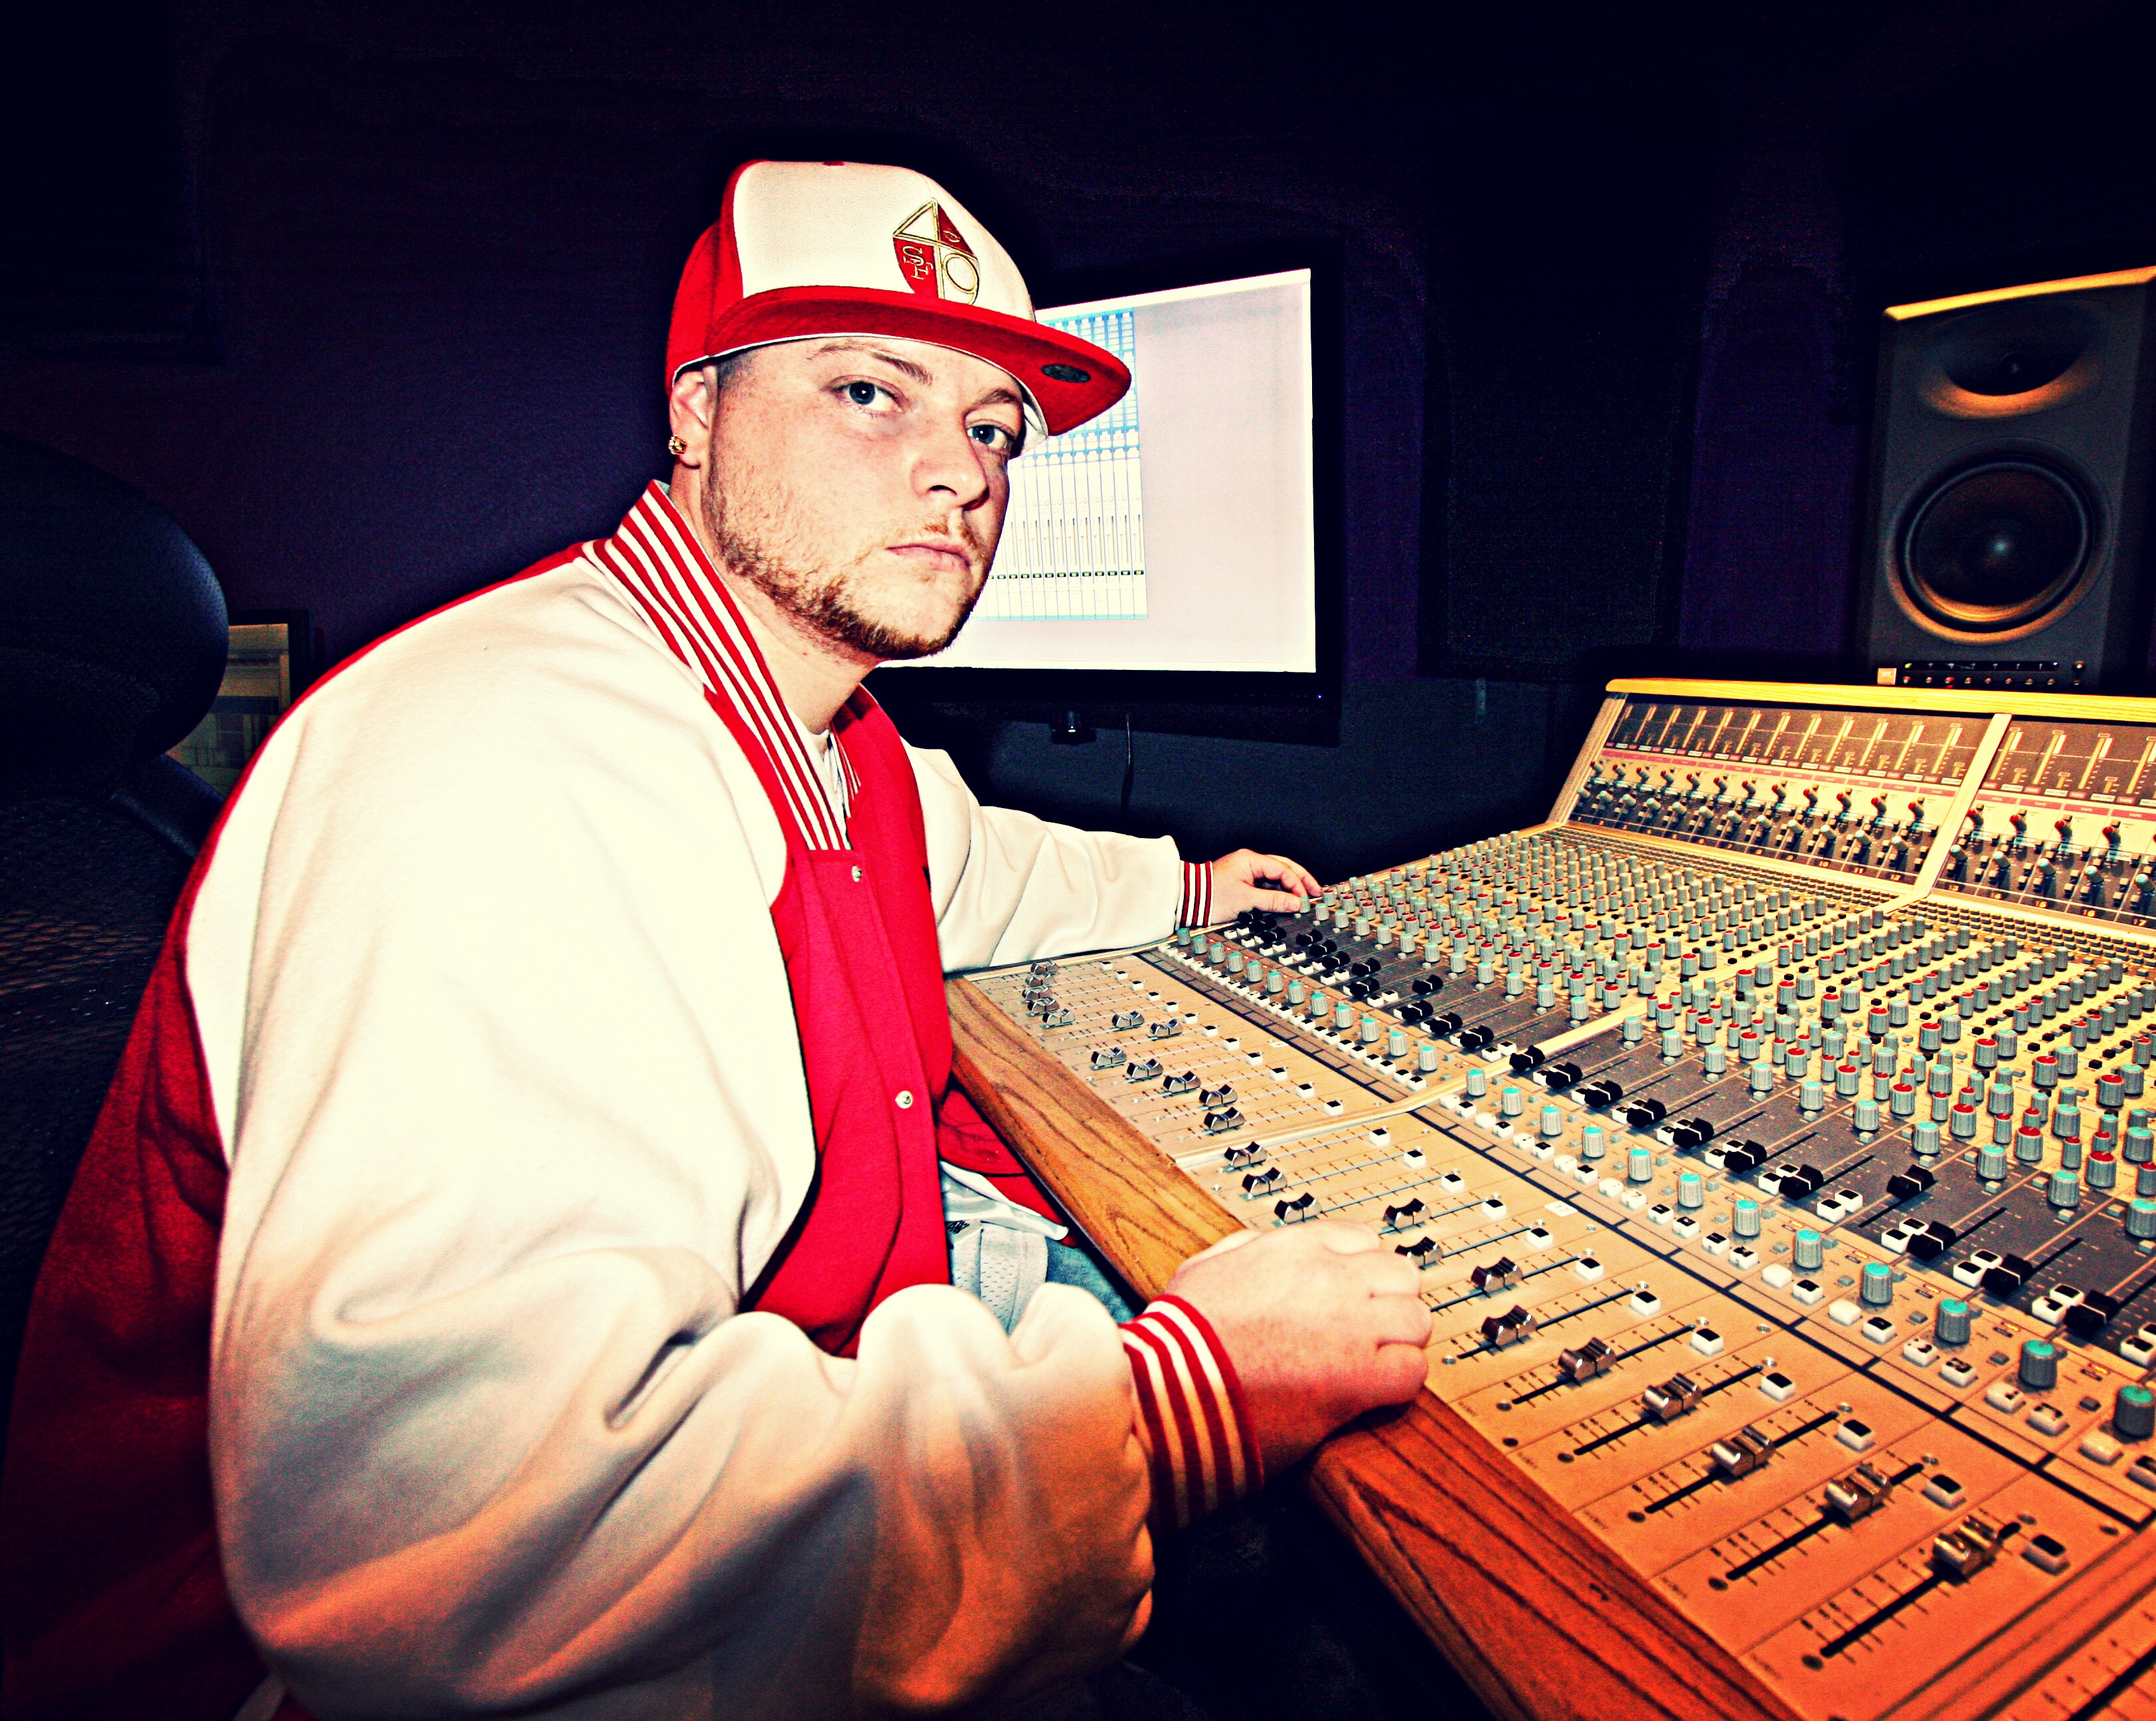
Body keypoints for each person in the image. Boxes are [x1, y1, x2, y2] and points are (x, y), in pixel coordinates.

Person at [0, 160, 1432, 1720]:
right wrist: (1178, 1403)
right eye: (869, 393)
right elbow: (474, 1545)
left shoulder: (825, 731)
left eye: (993, 430)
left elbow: (983, 871)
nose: (958, 475)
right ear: (695, 413)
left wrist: (1194, 888)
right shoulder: (508, 756)